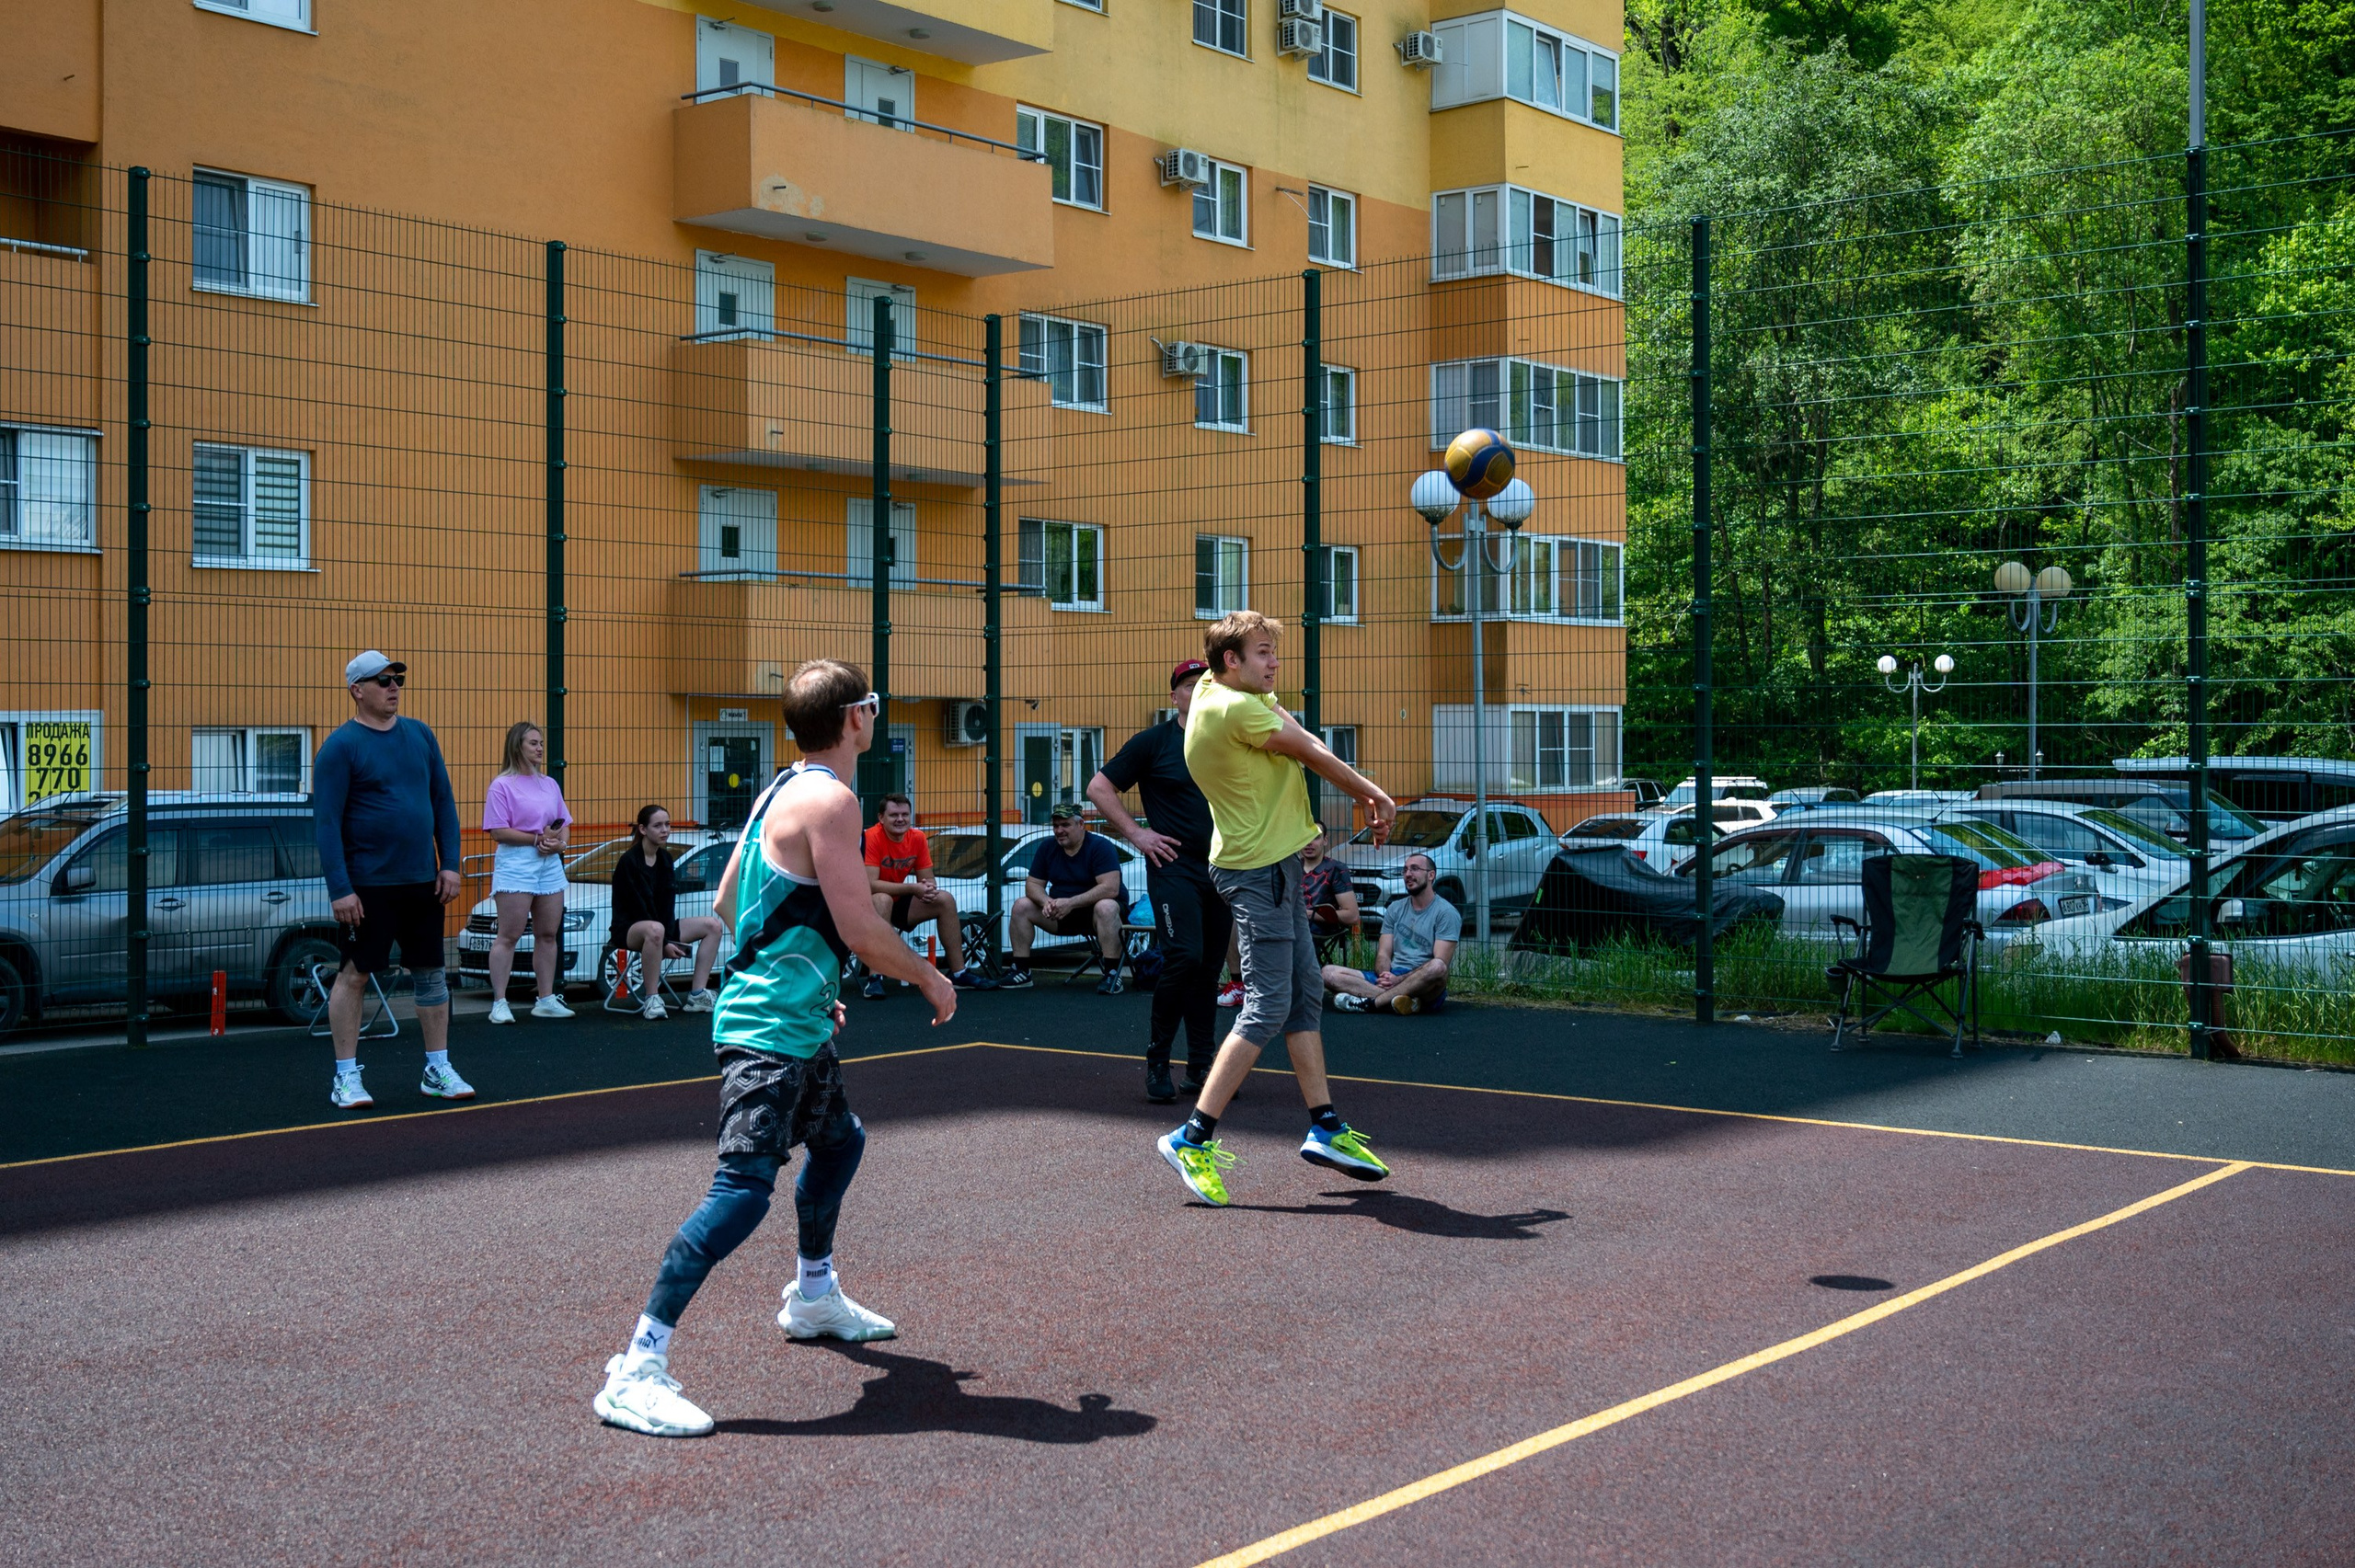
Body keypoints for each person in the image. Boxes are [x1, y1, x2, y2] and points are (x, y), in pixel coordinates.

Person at [594, 659, 958, 1440]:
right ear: (858, 717)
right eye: (874, 704)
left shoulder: (781, 789)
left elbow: (731, 901)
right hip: (766, 1032)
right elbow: (861, 927)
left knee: (840, 1141)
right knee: (741, 1192)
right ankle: (636, 1367)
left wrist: (809, 980)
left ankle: (813, 1296)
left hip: (791, 1019)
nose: (875, 714)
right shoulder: (832, 797)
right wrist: (930, 975)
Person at [1156, 611, 1396, 1207]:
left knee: (1304, 991)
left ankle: (1325, 1126)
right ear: (1231, 659)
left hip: (1275, 865)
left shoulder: (1222, 686)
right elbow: (1309, 753)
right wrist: (1373, 793)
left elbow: (1298, 731)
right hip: (1257, 871)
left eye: (1274, 651)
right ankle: (1193, 1137)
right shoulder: (1234, 708)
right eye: (1263, 652)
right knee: (1265, 1006)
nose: (1275, 662)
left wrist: (1360, 784)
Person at [312, 650, 469, 1110]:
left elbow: (443, 801)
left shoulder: (420, 734)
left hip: (422, 881)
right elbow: (326, 824)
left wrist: (450, 863)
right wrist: (340, 888)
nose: (393, 685)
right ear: (357, 690)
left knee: (432, 973)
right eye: (381, 680)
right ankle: (346, 1077)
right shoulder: (340, 747)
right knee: (355, 974)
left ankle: (437, 1068)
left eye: (397, 677)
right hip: (368, 888)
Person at [1087, 658, 1233, 1103]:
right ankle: (1158, 1059)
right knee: (1184, 958)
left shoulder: (1227, 741)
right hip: (1174, 867)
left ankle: (1203, 1067)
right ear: (1175, 696)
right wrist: (1137, 834)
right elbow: (1098, 788)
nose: (1198, 691)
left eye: (1206, 684)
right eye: (1189, 685)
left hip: (1223, 867)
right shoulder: (1153, 742)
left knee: (1209, 969)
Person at [483, 720, 575, 1024]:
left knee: (548, 934)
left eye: (541, 743)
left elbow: (564, 825)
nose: (539, 748)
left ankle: (546, 999)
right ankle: (499, 1002)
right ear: (517, 746)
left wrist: (558, 845)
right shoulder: (501, 785)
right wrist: (537, 840)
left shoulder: (549, 784)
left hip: (549, 863)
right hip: (517, 863)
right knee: (508, 935)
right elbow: (498, 831)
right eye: (533, 743)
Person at [860, 792, 990, 1000]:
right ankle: (875, 978)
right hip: (864, 905)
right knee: (882, 898)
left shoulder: (918, 838)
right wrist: (913, 889)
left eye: (905, 814)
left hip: (898, 903)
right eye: (894, 815)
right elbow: (871, 885)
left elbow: (928, 880)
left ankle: (959, 973)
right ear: (881, 818)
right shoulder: (871, 837)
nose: (900, 819)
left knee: (945, 899)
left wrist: (928, 890)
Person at [609, 804, 729, 1020]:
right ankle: (652, 998)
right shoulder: (629, 862)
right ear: (643, 830)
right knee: (654, 929)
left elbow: (667, 905)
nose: (665, 830)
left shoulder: (665, 859)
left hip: (662, 927)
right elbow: (640, 909)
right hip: (630, 927)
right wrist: (665, 943)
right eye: (658, 826)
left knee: (713, 925)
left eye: (667, 824)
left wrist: (669, 938)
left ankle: (697, 994)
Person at [1002, 805, 1129, 993]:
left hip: (1096, 916)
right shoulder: (1047, 847)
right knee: (1022, 906)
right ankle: (1021, 971)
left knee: (1107, 906)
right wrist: (1046, 902)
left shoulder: (1100, 846)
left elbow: (1110, 888)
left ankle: (1112, 974)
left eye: (1065, 825)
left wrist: (1071, 902)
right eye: (1055, 825)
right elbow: (1033, 885)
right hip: (1060, 913)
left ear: (1081, 824)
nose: (1059, 830)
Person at [1327, 852, 1458, 1014]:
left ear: (1431, 875)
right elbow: (1383, 954)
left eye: (1415, 869)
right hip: (1392, 975)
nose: (1408, 874)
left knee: (1437, 967)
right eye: (1405, 870)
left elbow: (1441, 963)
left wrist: (1399, 980)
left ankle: (1371, 1003)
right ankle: (1402, 1002)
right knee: (1328, 973)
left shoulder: (1446, 913)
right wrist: (1385, 975)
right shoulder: (1395, 908)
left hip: (1424, 983)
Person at [1297, 824, 1361, 964]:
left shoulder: (1336, 869)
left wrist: (1308, 914)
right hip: (1291, 923)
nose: (1309, 843)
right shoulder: (1292, 868)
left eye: (1315, 837)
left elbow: (1352, 916)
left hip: (1319, 927)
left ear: (1325, 840)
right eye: (1305, 837)